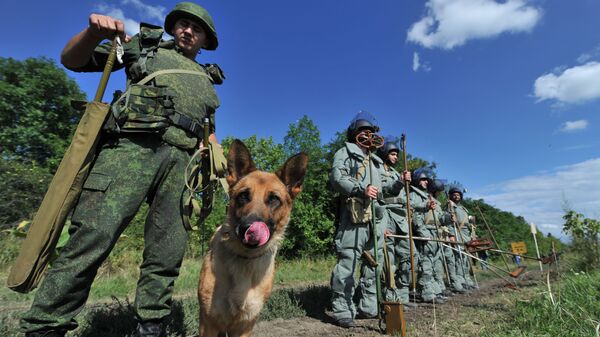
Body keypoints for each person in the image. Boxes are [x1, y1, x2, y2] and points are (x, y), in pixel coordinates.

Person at [19, 3, 223, 337]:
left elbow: (207, 128)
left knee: (168, 250)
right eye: (184, 25)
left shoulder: (207, 78)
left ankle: (151, 324)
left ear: (205, 40)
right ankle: (45, 326)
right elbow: (72, 60)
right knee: (93, 236)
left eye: (196, 29)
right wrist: (93, 33)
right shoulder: (143, 46)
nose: (188, 31)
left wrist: (213, 154)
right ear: (174, 28)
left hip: (183, 165)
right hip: (129, 151)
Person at [329, 111, 405, 328]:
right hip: (356, 216)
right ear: (354, 134)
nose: (368, 134)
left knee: (375, 264)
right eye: (363, 131)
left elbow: (386, 190)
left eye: (371, 132)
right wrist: (360, 188)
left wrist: (400, 183)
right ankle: (343, 308)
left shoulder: (378, 162)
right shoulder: (345, 152)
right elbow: (337, 178)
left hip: (378, 218)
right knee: (348, 261)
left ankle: (368, 306)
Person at [376, 136, 415, 309]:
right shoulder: (378, 169)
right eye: (392, 153)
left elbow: (404, 198)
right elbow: (385, 190)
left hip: (401, 219)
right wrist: (400, 182)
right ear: (384, 153)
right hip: (387, 216)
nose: (396, 157)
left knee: (410, 255)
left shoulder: (395, 173)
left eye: (397, 154)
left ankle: (403, 294)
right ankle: (391, 298)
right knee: (388, 260)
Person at [409, 168, 448, 303]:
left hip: (435, 232)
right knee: (426, 262)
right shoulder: (413, 195)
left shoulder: (429, 197)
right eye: (423, 179)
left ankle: (434, 289)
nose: (426, 182)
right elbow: (415, 215)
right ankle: (426, 291)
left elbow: (440, 217)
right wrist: (422, 232)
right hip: (425, 233)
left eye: (427, 180)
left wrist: (449, 218)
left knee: (434, 263)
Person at [447, 185, 477, 291]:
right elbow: (449, 222)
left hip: (465, 234)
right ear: (450, 196)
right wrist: (451, 235)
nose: (456, 196)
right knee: (458, 258)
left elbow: (468, 224)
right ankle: (460, 280)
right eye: (454, 195)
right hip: (457, 233)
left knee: (465, 258)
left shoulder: (463, 208)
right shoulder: (450, 206)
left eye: (458, 195)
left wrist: (472, 235)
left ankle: (467, 278)